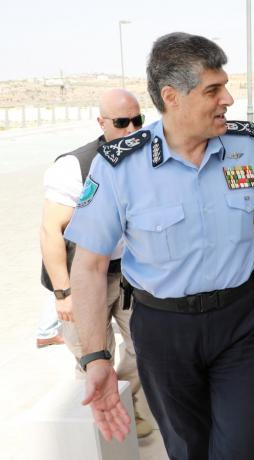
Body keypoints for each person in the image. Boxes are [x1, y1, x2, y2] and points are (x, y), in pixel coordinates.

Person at [65, 33, 254, 459]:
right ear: (173, 97)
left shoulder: (243, 148)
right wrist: (95, 356)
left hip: (239, 323)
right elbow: (90, 265)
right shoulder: (120, 166)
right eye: (213, 89)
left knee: (244, 448)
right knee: (189, 449)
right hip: (163, 329)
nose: (227, 98)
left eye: (225, 85)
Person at [39, 88, 152, 437]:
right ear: (101, 122)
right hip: (84, 277)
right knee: (92, 356)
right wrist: (63, 293)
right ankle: (98, 425)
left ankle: (132, 414)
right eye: (121, 122)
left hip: (130, 275)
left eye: (138, 120)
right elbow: (50, 231)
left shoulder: (148, 158)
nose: (131, 129)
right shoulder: (75, 165)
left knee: (143, 349)